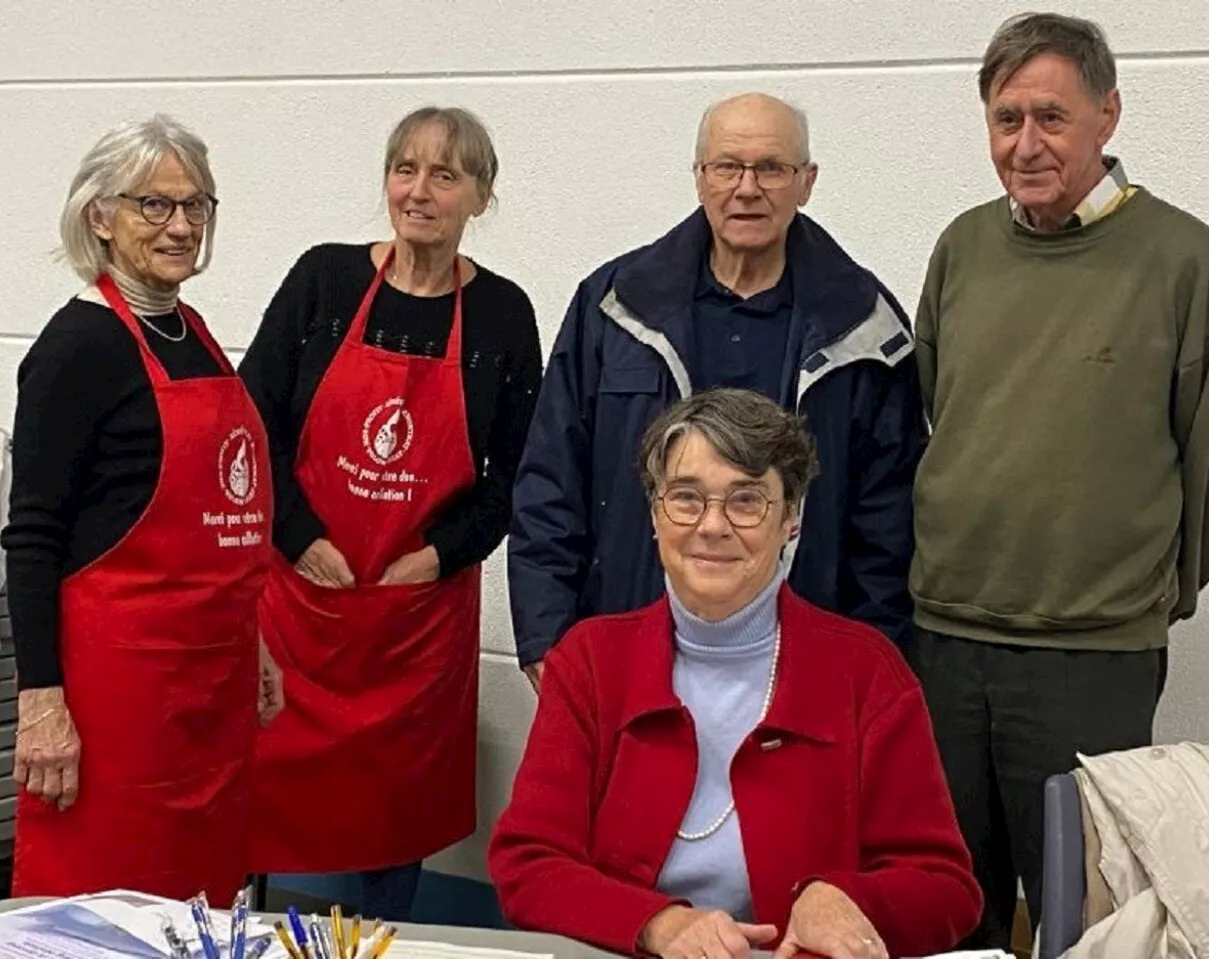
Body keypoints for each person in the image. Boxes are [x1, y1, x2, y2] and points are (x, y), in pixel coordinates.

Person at [910, 12, 1209, 949]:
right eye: (1006, 118)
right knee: (949, 905)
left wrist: (1149, 591)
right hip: (946, 641)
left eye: (1052, 118)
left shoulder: (1184, 260)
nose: (1026, 144)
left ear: (1108, 115)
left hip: (1091, 655)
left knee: (1089, 915)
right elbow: (940, 415)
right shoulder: (962, 248)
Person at [490, 388, 981, 959]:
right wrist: (660, 925)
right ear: (655, 515)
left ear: (792, 519)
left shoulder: (867, 672)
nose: (713, 525)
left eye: (747, 501)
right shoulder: (591, 662)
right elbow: (527, 866)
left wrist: (846, 898)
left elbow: (948, 890)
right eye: (686, 498)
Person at [507, 92, 924, 693]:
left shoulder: (865, 328)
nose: (747, 188)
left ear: (807, 183)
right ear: (699, 178)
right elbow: (551, 479)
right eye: (727, 166)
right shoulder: (614, 306)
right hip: (629, 650)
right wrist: (547, 639)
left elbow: (889, 525)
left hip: (803, 670)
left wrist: (872, 671)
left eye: (771, 168)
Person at [239, 106, 542, 921]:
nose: (420, 191)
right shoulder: (324, 280)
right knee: (261, 783)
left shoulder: (504, 315)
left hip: (418, 617)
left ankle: (386, 935)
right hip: (301, 605)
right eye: (405, 169)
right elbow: (250, 423)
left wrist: (440, 555)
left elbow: (517, 472)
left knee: (394, 806)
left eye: (446, 175)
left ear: (482, 195)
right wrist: (298, 536)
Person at [3, 115, 283, 905]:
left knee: (203, 908)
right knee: (104, 916)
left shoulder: (191, 332)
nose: (182, 225)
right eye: (154, 205)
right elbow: (32, 538)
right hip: (114, 708)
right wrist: (43, 705)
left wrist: (255, 641)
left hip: (211, 701)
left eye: (197, 206)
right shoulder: (78, 347)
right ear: (100, 216)